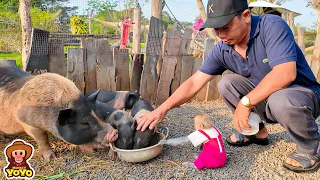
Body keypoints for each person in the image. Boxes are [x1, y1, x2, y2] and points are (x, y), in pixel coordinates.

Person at [137, 0, 320, 172]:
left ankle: (309, 149)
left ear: (246, 15)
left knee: (281, 99)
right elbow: (194, 82)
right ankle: (256, 133)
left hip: (300, 96)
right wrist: (161, 110)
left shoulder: (271, 26)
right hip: (268, 99)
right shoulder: (223, 49)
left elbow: (285, 73)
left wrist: (246, 102)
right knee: (227, 83)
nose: (221, 35)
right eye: (216, 29)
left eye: (226, 27)